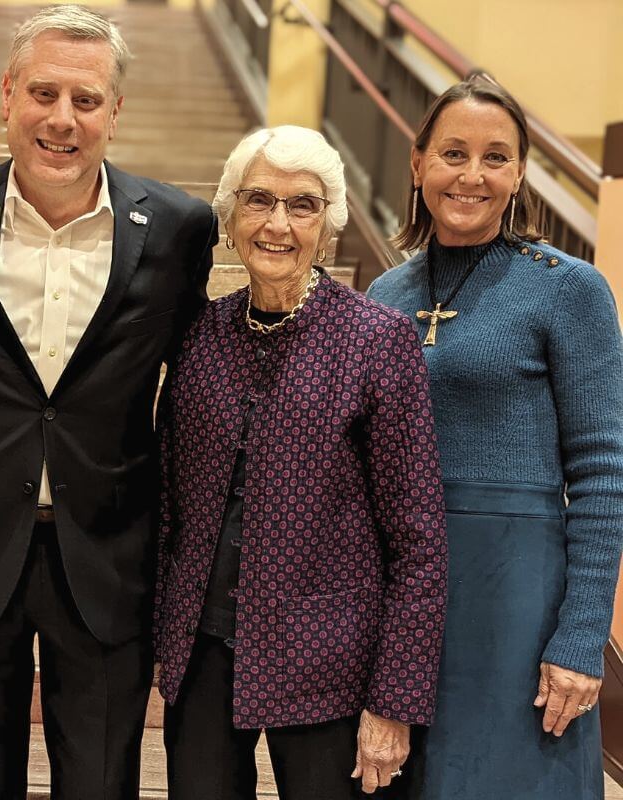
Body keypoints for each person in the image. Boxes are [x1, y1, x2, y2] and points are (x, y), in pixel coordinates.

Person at [0, 6, 217, 798]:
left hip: (109, 556)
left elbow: (203, 388)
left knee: (102, 783)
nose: (62, 119)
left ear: (116, 112)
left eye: (86, 99)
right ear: (7, 96)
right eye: (43, 93)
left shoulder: (178, 228)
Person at [154, 125, 448, 800]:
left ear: (330, 225)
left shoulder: (379, 341)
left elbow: (419, 539)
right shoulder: (197, 335)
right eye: (259, 200)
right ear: (229, 217)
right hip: (203, 655)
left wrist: (394, 701)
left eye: (303, 205)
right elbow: (171, 499)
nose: (278, 224)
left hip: (331, 665)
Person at [366, 78, 623, 800]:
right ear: (417, 164)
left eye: (496, 157)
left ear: (518, 174)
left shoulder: (568, 289)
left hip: (517, 595)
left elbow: (604, 472)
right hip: (404, 590)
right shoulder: (385, 295)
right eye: (453, 153)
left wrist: (580, 636)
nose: (472, 175)